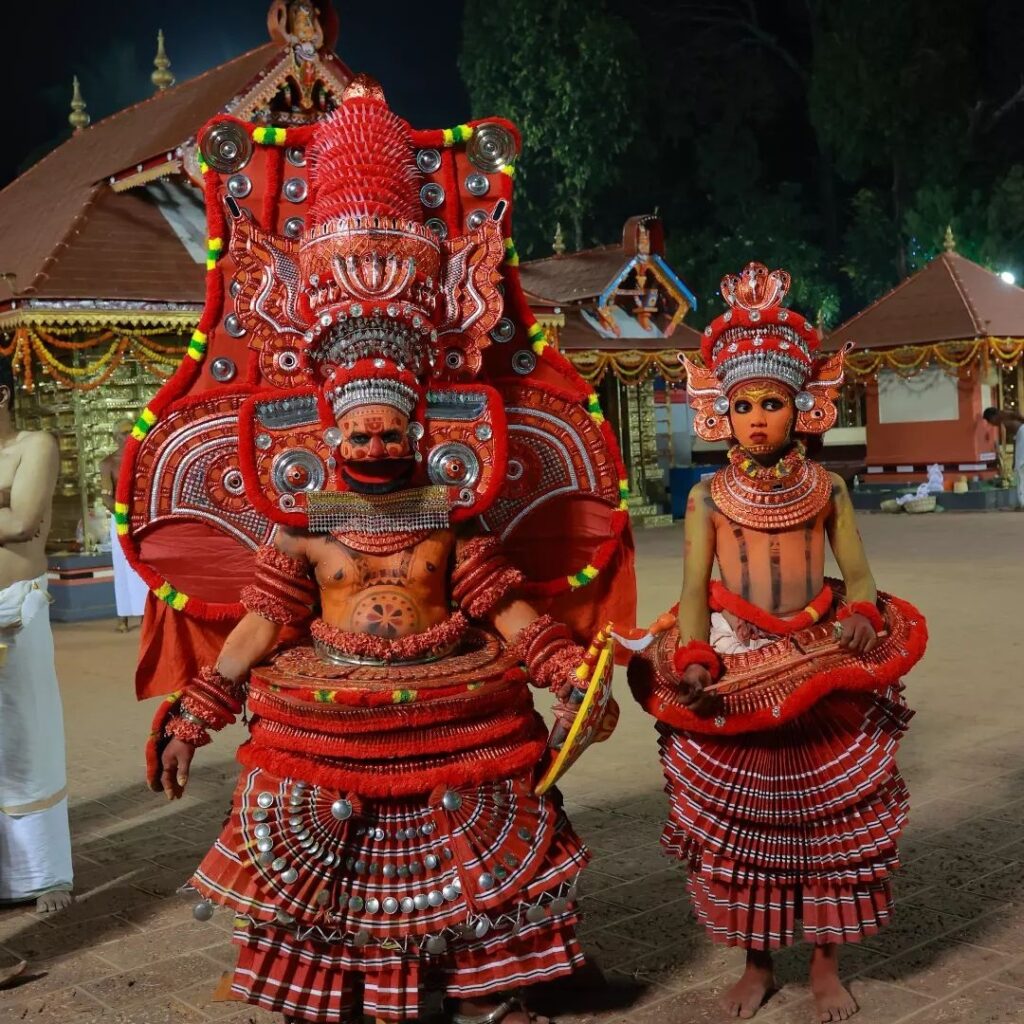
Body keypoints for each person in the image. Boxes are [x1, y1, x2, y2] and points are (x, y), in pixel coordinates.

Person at [136, 79, 631, 1024]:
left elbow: (496, 598)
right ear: (327, 434)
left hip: (452, 694)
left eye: (386, 435)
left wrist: (563, 665)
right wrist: (200, 709)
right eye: (357, 437)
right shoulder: (305, 521)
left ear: (420, 427)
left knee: (482, 830)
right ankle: (345, 991)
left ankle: (496, 981)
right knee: (327, 856)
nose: (373, 450)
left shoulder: (449, 511)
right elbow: (269, 615)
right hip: (332, 703)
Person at [628, 263, 927, 1022]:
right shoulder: (705, 497)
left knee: (832, 821)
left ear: (804, 407)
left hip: (823, 658)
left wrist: (860, 611)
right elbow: (693, 589)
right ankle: (757, 964)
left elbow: (858, 572)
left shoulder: (828, 488)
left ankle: (826, 966)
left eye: (773, 402)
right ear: (719, 414)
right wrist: (694, 656)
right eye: (743, 404)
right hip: (734, 656)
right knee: (745, 823)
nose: (758, 417)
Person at [0, 356, 73, 914]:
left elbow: (22, 521)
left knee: (29, 735)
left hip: (14, 610)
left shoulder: (34, 445)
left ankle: (42, 875)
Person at [100, 419, 147, 630]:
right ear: (114, 437)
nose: (128, 436)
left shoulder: (143, 458)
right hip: (120, 521)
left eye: (131, 432)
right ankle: (123, 616)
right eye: (123, 433)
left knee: (143, 567)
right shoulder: (108, 463)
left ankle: (146, 613)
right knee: (122, 567)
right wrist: (123, 515)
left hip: (142, 520)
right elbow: (106, 498)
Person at [982, 406, 1024, 507]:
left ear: (992, 417)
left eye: (989, 421)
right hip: (1020, 435)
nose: (991, 424)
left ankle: (1022, 502)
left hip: (1022, 434)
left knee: (1019, 469)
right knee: (1019, 467)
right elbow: (1015, 440)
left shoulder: (1003, 415)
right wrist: (1014, 458)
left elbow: (1018, 414)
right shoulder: (1003, 419)